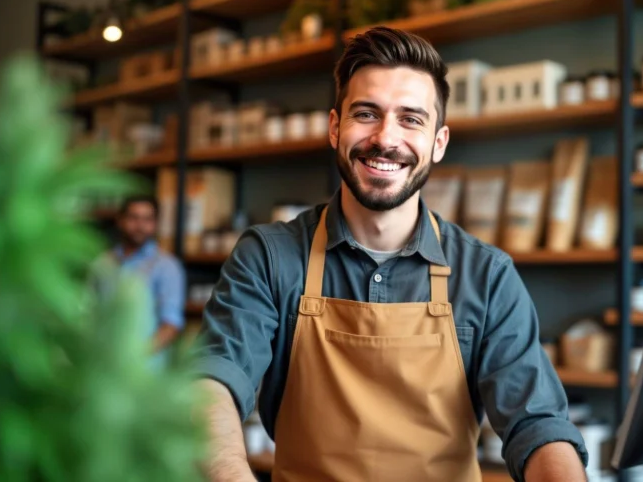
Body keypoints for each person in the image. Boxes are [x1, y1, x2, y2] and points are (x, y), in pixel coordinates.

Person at [195, 26, 588, 482]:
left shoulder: (486, 275)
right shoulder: (269, 257)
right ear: (334, 127)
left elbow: (537, 422)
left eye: (411, 119)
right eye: (366, 113)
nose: (386, 138)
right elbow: (215, 381)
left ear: (438, 143)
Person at [92, 196, 186, 357]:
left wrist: (134, 358)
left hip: (145, 372)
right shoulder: (102, 263)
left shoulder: (166, 267)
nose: (140, 226)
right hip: (101, 365)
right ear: (120, 220)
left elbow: (170, 325)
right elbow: (90, 314)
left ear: (156, 224)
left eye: (147, 219)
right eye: (133, 218)